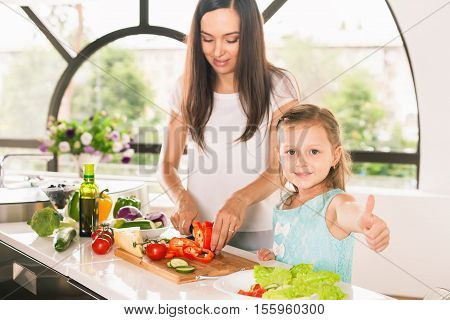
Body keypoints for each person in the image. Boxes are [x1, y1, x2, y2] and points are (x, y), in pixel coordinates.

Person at [158, 0, 299, 252]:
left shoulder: (279, 86)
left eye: (231, 39)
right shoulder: (185, 87)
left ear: (251, 36)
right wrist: (181, 199)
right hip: (199, 233)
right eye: (207, 39)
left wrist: (239, 200)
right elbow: (166, 166)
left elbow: (280, 170)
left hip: (261, 236)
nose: (217, 51)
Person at [256, 104, 390, 282]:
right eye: (291, 151)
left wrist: (366, 223)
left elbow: (350, 210)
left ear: (335, 156)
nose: (301, 161)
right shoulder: (284, 204)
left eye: (313, 151)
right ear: (279, 155)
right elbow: (297, 256)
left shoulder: (335, 203)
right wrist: (277, 259)